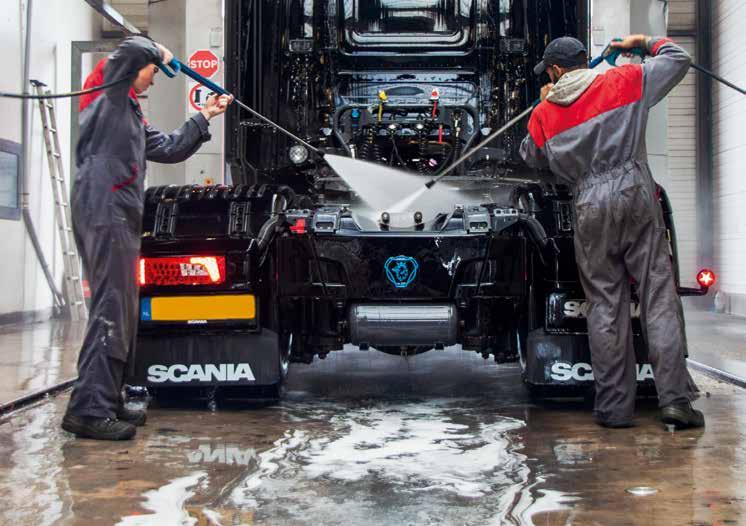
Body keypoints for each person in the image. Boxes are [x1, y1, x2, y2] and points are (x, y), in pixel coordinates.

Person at [520, 35, 704, 430]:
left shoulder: (544, 113)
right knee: (658, 298)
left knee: (605, 306)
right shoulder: (624, 80)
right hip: (635, 192)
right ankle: (675, 401)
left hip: (588, 203)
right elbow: (678, 58)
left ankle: (615, 409)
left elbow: (531, 156)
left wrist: (543, 105)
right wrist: (645, 42)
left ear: (555, 70)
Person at [61, 36, 233, 440]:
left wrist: (205, 115)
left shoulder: (129, 112)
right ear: (134, 67)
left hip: (118, 213)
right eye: (153, 71)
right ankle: (88, 410)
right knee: (111, 308)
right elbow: (131, 49)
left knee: (123, 310)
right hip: (103, 209)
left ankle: (108, 397)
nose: (154, 78)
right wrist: (159, 51)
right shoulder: (106, 90)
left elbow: (170, 148)